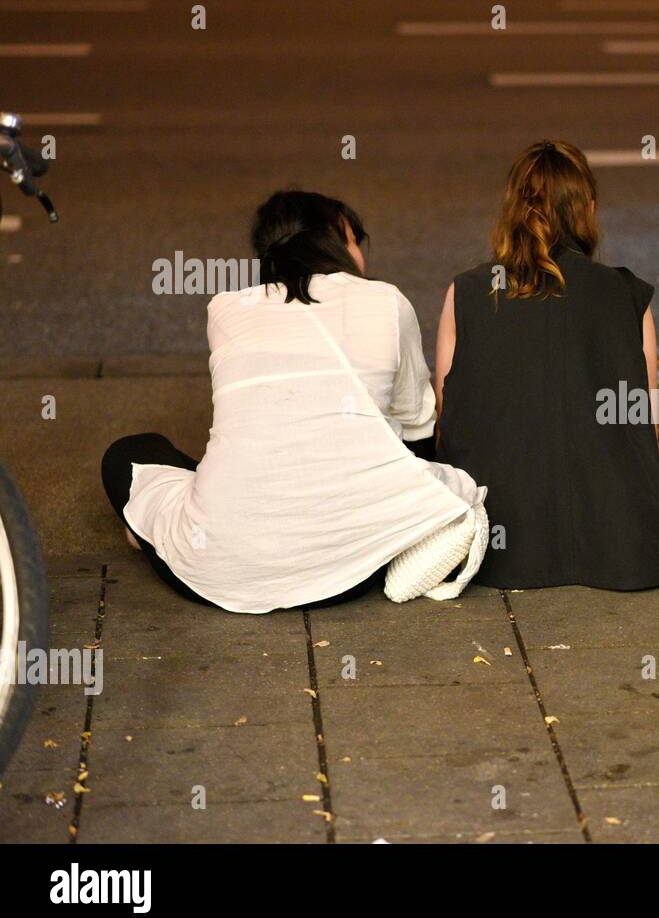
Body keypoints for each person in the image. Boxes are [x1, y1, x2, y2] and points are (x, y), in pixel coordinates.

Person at [101, 190, 479, 613]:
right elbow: (418, 429)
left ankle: (153, 528)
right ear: (335, 237)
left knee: (129, 453)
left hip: (221, 570)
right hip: (356, 571)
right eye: (356, 239)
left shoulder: (226, 310)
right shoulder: (387, 301)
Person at [434, 139, 659, 591]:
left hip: (495, 540)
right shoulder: (626, 293)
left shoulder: (467, 291)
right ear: (588, 210)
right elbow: (641, 431)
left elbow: (448, 420)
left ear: (512, 211)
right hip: (616, 542)